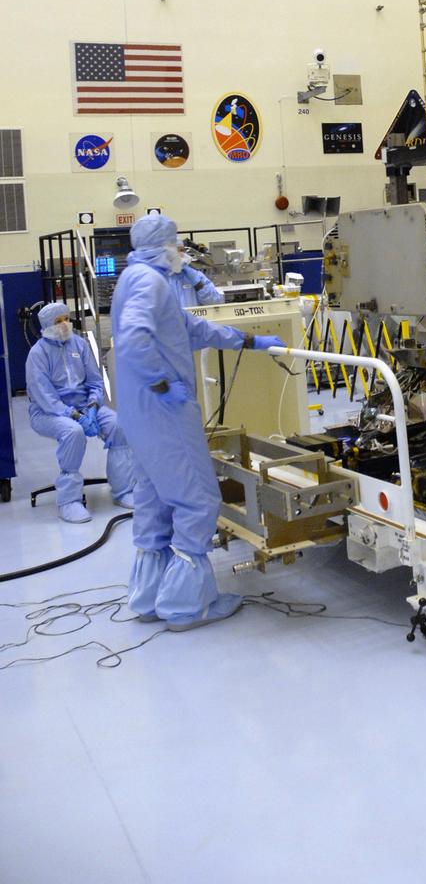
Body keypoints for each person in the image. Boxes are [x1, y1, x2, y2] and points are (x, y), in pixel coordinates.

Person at [111, 213, 284, 631]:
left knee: (154, 500)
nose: (180, 251)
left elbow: (190, 328)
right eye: (176, 244)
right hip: (163, 412)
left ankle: (150, 596)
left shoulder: (138, 279)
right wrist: (162, 384)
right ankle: (188, 605)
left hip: (139, 413)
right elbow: (134, 339)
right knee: (197, 500)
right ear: (162, 246)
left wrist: (249, 340)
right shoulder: (151, 283)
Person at [25, 302, 135, 523]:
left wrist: (93, 407)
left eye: (66, 318)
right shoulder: (38, 354)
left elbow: (95, 382)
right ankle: (68, 501)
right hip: (48, 413)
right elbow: (44, 397)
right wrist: (74, 415)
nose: (64, 324)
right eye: (58, 321)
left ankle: (124, 490)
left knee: (119, 425)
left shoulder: (79, 344)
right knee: (73, 432)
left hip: (86, 407)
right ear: (46, 325)